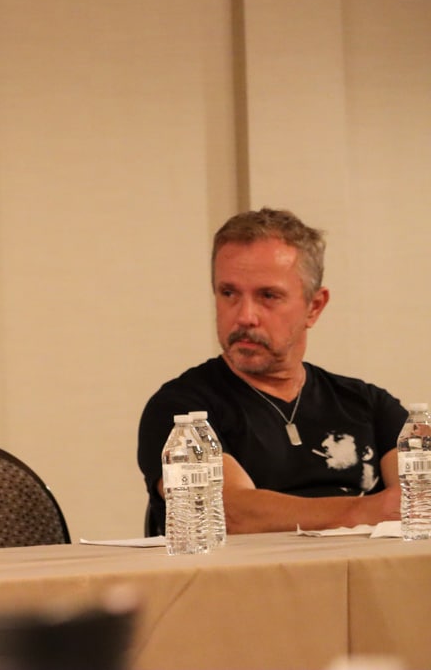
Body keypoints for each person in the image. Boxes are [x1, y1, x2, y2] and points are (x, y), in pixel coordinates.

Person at [138, 208, 406, 535]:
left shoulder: (369, 405)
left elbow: (420, 495)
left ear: (314, 307)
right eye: (229, 293)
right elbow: (227, 512)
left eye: (268, 296)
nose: (245, 316)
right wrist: (364, 510)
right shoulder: (182, 412)